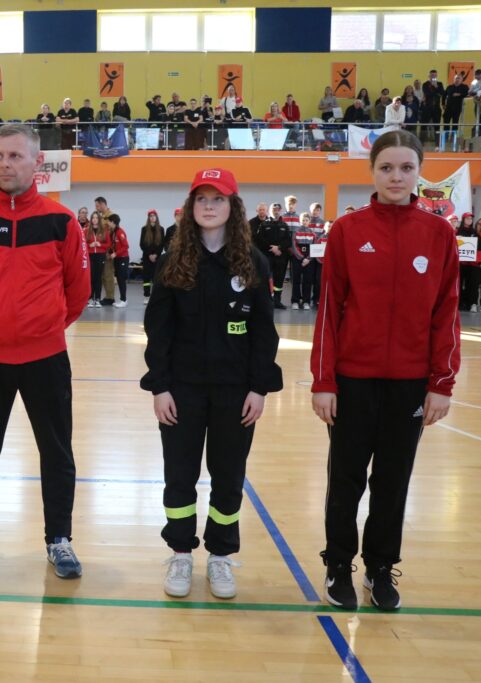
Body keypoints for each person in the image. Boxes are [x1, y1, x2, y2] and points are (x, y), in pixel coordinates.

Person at [311, 130, 460, 612]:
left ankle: (380, 567)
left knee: (393, 481)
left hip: (410, 385)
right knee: (346, 479)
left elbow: (447, 312)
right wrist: (323, 380)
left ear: (420, 173)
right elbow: (329, 310)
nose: (397, 177)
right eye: (387, 168)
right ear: (372, 171)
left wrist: (441, 383)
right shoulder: (347, 230)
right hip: (352, 381)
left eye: (406, 168)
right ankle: (338, 564)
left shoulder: (439, 234)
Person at [0, 124, 89, 579]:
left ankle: (59, 539)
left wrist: (42, 329)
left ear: (37, 162)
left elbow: (78, 290)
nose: (5, 164)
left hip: (45, 359)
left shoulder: (61, 222)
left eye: (15, 156)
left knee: (56, 452)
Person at [142, 167, 283, 600]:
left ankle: (220, 556)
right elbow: (158, 331)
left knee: (228, 476)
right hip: (181, 391)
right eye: (201, 199)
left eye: (218, 199)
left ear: (232, 206)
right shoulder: (172, 261)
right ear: (190, 208)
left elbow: (264, 333)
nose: (209, 206)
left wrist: (258, 388)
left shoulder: (253, 262)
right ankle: (181, 552)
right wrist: (160, 387)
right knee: (179, 475)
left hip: (235, 393)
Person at [290, 212, 316, 310]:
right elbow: (294, 246)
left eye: (306, 220)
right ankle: (295, 301)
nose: (304, 222)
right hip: (297, 259)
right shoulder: (295, 232)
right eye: (303, 220)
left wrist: (308, 259)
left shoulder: (313, 233)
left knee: (307, 281)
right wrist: (301, 258)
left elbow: (314, 247)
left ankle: (306, 301)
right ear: (300, 221)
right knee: (296, 280)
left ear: (309, 221)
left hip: (309, 260)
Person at [84, 212, 110, 307]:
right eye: (93, 218)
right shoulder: (86, 231)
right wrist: (89, 245)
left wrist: (100, 245)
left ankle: (98, 299)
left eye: (96, 218)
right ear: (91, 219)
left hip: (100, 255)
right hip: (90, 256)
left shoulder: (104, 231)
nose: (95, 219)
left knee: (98, 277)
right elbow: (82, 244)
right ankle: (90, 298)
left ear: (99, 219)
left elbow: (108, 244)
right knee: (91, 277)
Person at [139, 209, 164, 303]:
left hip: (157, 258)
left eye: (154, 216)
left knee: (156, 278)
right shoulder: (144, 229)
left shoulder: (161, 229)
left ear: (156, 217)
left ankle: (155, 296)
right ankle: (146, 296)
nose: (152, 217)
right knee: (146, 278)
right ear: (148, 218)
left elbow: (161, 244)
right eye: (150, 216)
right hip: (147, 257)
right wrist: (149, 254)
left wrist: (156, 254)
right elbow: (142, 244)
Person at [108, 213, 130, 307]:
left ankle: (123, 300)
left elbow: (126, 246)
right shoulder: (113, 232)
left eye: (109, 221)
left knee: (121, 279)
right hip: (117, 259)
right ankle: (122, 299)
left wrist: (115, 253)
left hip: (123, 259)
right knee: (119, 278)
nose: (108, 223)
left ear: (113, 222)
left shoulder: (120, 232)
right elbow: (112, 245)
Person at [420, 69, 445, 142]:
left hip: (436, 108)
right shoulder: (425, 84)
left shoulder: (440, 84)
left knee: (437, 126)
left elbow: (442, 93)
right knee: (424, 125)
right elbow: (427, 93)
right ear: (429, 76)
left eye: (434, 75)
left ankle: (437, 142)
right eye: (432, 75)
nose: (433, 77)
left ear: (437, 76)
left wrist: (436, 87)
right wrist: (437, 92)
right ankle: (421, 142)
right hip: (427, 107)